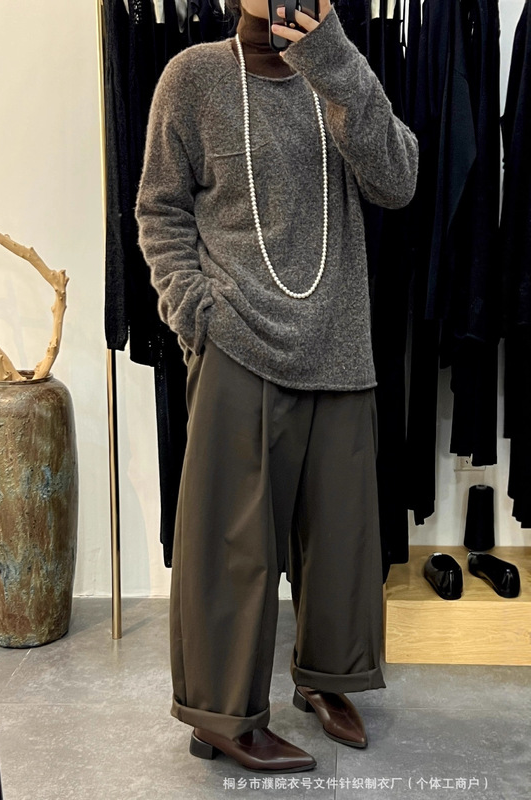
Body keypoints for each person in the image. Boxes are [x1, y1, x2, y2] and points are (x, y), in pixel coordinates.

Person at [134, 0, 418, 774]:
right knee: (231, 546)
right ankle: (222, 713)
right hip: (239, 342)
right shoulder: (193, 76)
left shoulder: (341, 73)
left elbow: (398, 181)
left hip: (339, 343)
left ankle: (326, 678)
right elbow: (159, 208)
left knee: (341, 542)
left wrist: (336, 63)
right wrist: (195, 311)